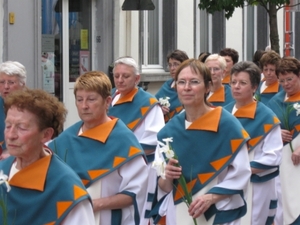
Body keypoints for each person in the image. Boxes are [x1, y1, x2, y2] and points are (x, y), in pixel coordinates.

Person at [154, 59, 251, 225]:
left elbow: (241, 174)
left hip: (217, 211)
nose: (187, 88)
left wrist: (211, 198)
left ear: (207, 87)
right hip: (179, 214)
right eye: (181, 82)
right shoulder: (168, 132)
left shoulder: (226, 124)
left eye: (194, 82)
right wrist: (167, 176)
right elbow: (164, 187)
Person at [48, 71, 148, 225]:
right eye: (79, 100)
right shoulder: (66, 138)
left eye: (91, 99)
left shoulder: (123, 140)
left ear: (107, 102)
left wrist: (95, 204)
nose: (84, 106)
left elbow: (134, 193)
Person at [0, 88, 95, 225]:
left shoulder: (66, 188)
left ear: (46, 135)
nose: (10, 135)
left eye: (22, 127)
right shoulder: (2, 170)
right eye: (8, 126)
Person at [224, 61, 282, 225]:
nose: (236, 87)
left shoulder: (266, 117)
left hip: (255, 186)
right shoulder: (223, 114)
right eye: (233, 82)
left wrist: (240, 170)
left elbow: (273, 157)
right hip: (226, 183)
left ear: (255, 87)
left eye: (242, 83)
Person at [109, 57, 165, 225]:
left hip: (138, 167)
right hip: (110, 166)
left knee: (135, 213)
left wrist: (123, 153)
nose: (120, 80)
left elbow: (154, 141)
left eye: (125, 76)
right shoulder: (110, 97)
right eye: (116, 75)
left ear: (137, 78)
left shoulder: (149, 104)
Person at [268, 57, 300, 225]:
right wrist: (276, 133)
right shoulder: (275, 102)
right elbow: (267, 128)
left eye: (290, 79)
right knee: (286, 200)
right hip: (284, 161)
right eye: (282, 81)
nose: (286, 84)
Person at [0, 61, 26, 158]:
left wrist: (12, 154)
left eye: (11, 82)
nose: (6, 87)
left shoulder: (32, 107)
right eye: (2, 82)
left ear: (22, 84)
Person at [155, 50, 189, 122]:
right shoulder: (167, 86)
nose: (172, 68)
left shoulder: (190, 87)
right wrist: (159, 110)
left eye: (176, 64)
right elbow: (153, 106)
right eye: (170, 65)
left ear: (184, 65)